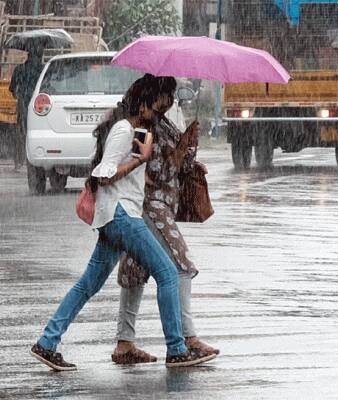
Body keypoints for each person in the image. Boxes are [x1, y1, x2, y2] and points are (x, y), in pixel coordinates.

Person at [30, 76, 216, 371]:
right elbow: (103, 175)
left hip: (114, 216)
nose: (161, 110)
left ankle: (47, 343)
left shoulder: (137, 129)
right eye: (158, 103)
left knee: (87, 285)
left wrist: (168, 158)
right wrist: (139, 161)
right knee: (168, 273)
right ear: (143, 100)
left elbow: (152, 168)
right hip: (122, 215)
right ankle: (177, 349)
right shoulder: (123, 128)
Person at [111, 76, 220, 364]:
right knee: (181, 266)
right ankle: (187, 338)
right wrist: (180, 151)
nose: (170, 100)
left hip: (164, 205)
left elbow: (177, 166)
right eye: (166, 94)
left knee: (134, 272)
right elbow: (147, 171)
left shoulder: (163, 122)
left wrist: (189, 147)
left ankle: (125, 343)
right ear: (152, 95)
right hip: (149, 207)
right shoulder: (142, 126)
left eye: (172, 94)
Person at [9, 50, 44, 171]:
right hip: (39, 105)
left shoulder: (20, 69)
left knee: (21, 133)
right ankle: (36, 158)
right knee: (39, 132)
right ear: (40, 56)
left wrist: (19, 96)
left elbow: (12, 89)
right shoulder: (43, 69)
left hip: (23, 103)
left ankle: (19, 161)